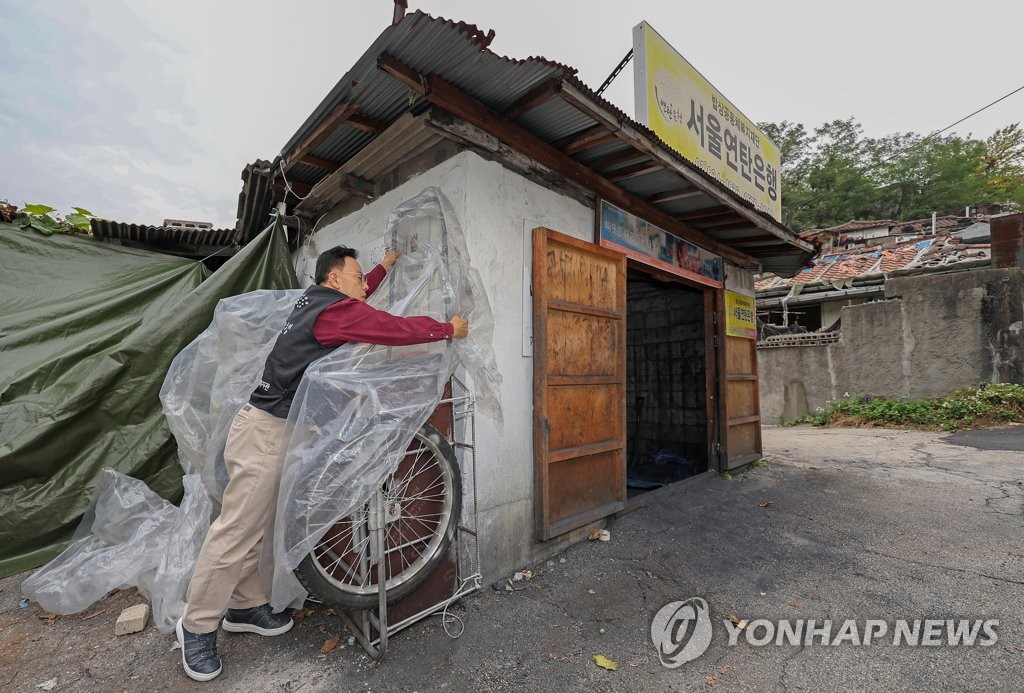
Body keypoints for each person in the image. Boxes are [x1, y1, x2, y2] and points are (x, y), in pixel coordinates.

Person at [176, 245, 469, 681]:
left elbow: (361, 297)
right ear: (335, 280)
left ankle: (242, 605)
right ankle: (195, 627)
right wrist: (446, 328)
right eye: (357, 277)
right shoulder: (334, 312)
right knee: (236, 530)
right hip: (266, 433)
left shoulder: (319, 302)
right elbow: (388, 327)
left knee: (259, 522)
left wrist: (383, 267)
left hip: (276, 429)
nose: (364, 285)